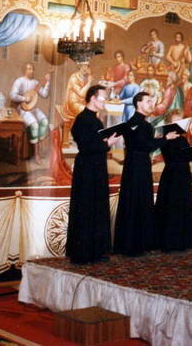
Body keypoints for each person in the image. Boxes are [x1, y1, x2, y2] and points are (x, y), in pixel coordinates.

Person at [112, 92, 180, 256]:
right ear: (138, 104)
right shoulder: (140, 124)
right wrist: (165, 138)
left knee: (135, 201)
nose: (152, 104)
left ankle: (132, 244)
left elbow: (142, 144)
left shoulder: (134, 123)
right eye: (148, 101)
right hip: (138, 166)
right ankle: (135, 245)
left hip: (135, 165)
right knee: (139, 201)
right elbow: (145, 145)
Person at [66, 85, 121, 263]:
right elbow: (86, 146)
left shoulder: (95, 120)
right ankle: (83, 253)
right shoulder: (82, 119)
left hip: (96, 167)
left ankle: (96, 252)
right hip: (87, 169)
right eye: (103, 98)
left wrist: (105, 141)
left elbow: (94, 142)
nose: (105, 101)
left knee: (97, 206)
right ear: (93, 98)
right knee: (86, 207)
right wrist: (108, 143)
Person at [154, 122, 192, 252]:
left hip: (179, 174)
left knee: (178, 206)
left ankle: (179, 241)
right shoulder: (169, 139)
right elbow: (175, 156)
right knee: (173, 206)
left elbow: (185, 155)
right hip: (175, 175)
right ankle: (173, 242)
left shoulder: (179, 139)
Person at [10, 63, 50, 144]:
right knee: (34, 125)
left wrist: (48, 82)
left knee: (44, 121)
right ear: (25, 70)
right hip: (22, 109)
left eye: (32, 69)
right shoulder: (19, 81)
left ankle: (40, 144)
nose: (31, 71)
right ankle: (34, 146)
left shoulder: (35, 82)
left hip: (33, 108)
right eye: (29, 69)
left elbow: (44, 95)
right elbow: (12, 95)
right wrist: (24, 98)